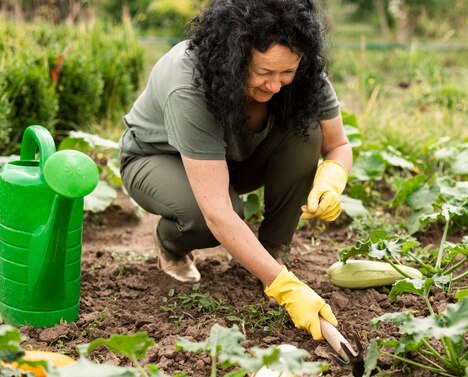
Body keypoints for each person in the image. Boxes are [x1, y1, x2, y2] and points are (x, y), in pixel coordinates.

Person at [119, 0, 352, 341]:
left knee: (306, 129)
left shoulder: (301, 72)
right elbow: (218, 213)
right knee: (207, 220)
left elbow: (337, 145)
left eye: (286, 72)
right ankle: (170, 244)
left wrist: (333, 177)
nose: (275, 86)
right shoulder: (189, 81)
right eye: (263, 73)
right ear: (234, 56)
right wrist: (287, 289)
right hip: (156, 159)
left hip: (232, 161)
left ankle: (272, 254)